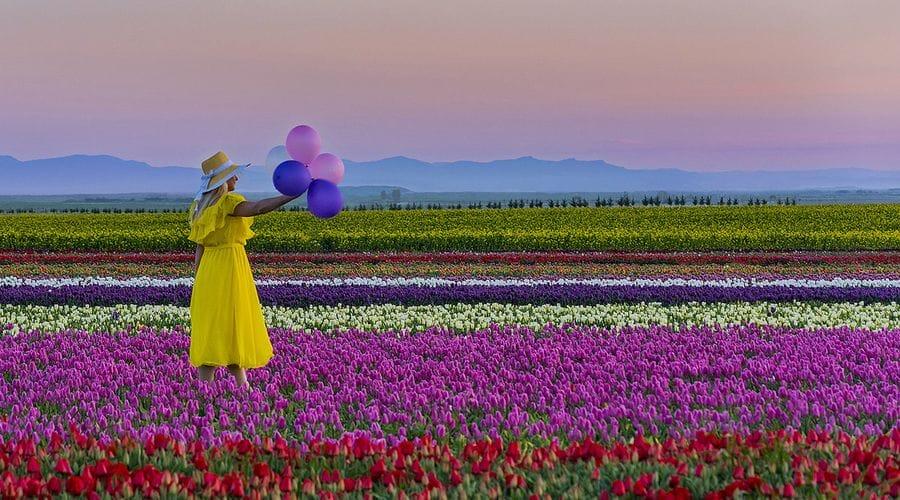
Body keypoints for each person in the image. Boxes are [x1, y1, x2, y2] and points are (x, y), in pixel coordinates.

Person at [187, 151, 298, 389]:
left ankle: (205, 391)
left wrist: (198, 281)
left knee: (213, 326)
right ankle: (242, 389)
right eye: (232, 175)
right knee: (233, 322)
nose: (236, 179)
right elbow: (258, 208)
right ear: (221, 181)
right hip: (230, 268)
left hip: (209, 272)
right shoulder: (227, 202)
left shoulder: (200, 208)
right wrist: (289, 196)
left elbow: (200, 248)